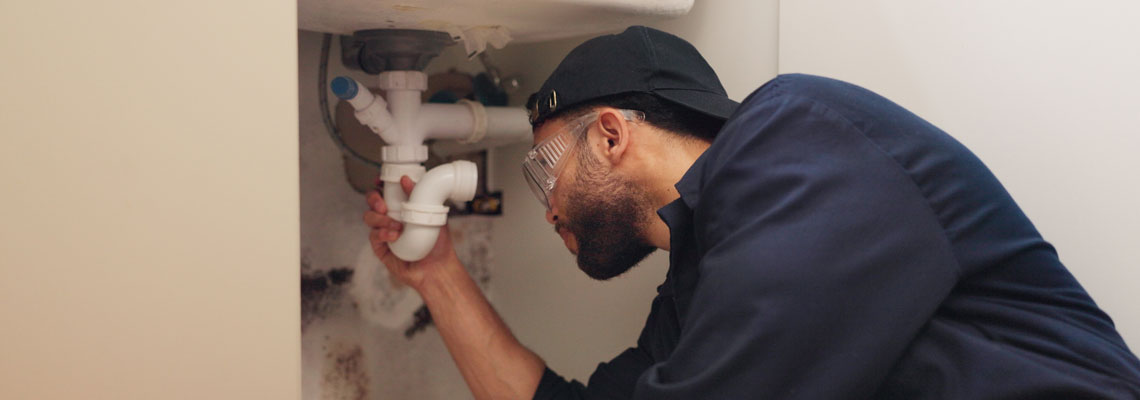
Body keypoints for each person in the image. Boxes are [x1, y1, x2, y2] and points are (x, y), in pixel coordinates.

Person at [363, 26, 1140, 399]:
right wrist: (436, 275)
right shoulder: (701, 282)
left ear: (609, 135)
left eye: (543, 172)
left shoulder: (799, 136)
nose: (548, 210)